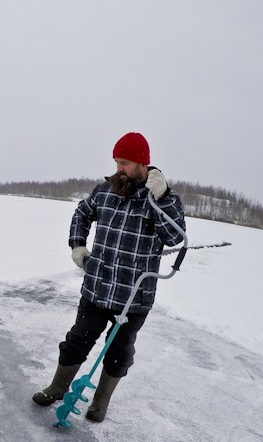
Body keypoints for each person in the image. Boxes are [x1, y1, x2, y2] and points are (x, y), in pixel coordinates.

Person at [32, 132, 185, 422]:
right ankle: (57, 387)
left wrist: (162, 198)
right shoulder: (105, 190)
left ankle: (100, 402)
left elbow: (175, 236)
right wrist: (78, 244)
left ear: (142, 163)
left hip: (134, 297)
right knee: (78, 339)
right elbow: (81, 212)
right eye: (116, 162)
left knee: (118, 352)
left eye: (125, 163)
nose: (119, 169)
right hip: (97, 288)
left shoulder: (162, 198)